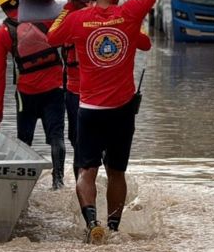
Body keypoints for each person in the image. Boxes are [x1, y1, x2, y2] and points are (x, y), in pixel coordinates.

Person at [47, 0, 163, 242]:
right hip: (122, 109)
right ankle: (112, 229)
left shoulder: (78, 19)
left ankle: (91, 223)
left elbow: (52, 36)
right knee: (116, 172)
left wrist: (72, 3)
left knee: (86, 169)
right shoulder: (130, 14)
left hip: (89, 109)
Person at [0, 0, 66, 190]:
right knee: (56, 137)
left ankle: (21, 187)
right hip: (55, 89)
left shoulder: (3, 34)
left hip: (26, 95)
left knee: (24, 142)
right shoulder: (48, 19)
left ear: (2, 6)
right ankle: (58, 182)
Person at [63, 28, 152, 183]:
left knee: (84, 150)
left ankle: (84, 199)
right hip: (84, 95)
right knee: (80, 146)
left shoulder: (73, 19)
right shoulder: (75, 19)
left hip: (91, 97)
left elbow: (145, 43)